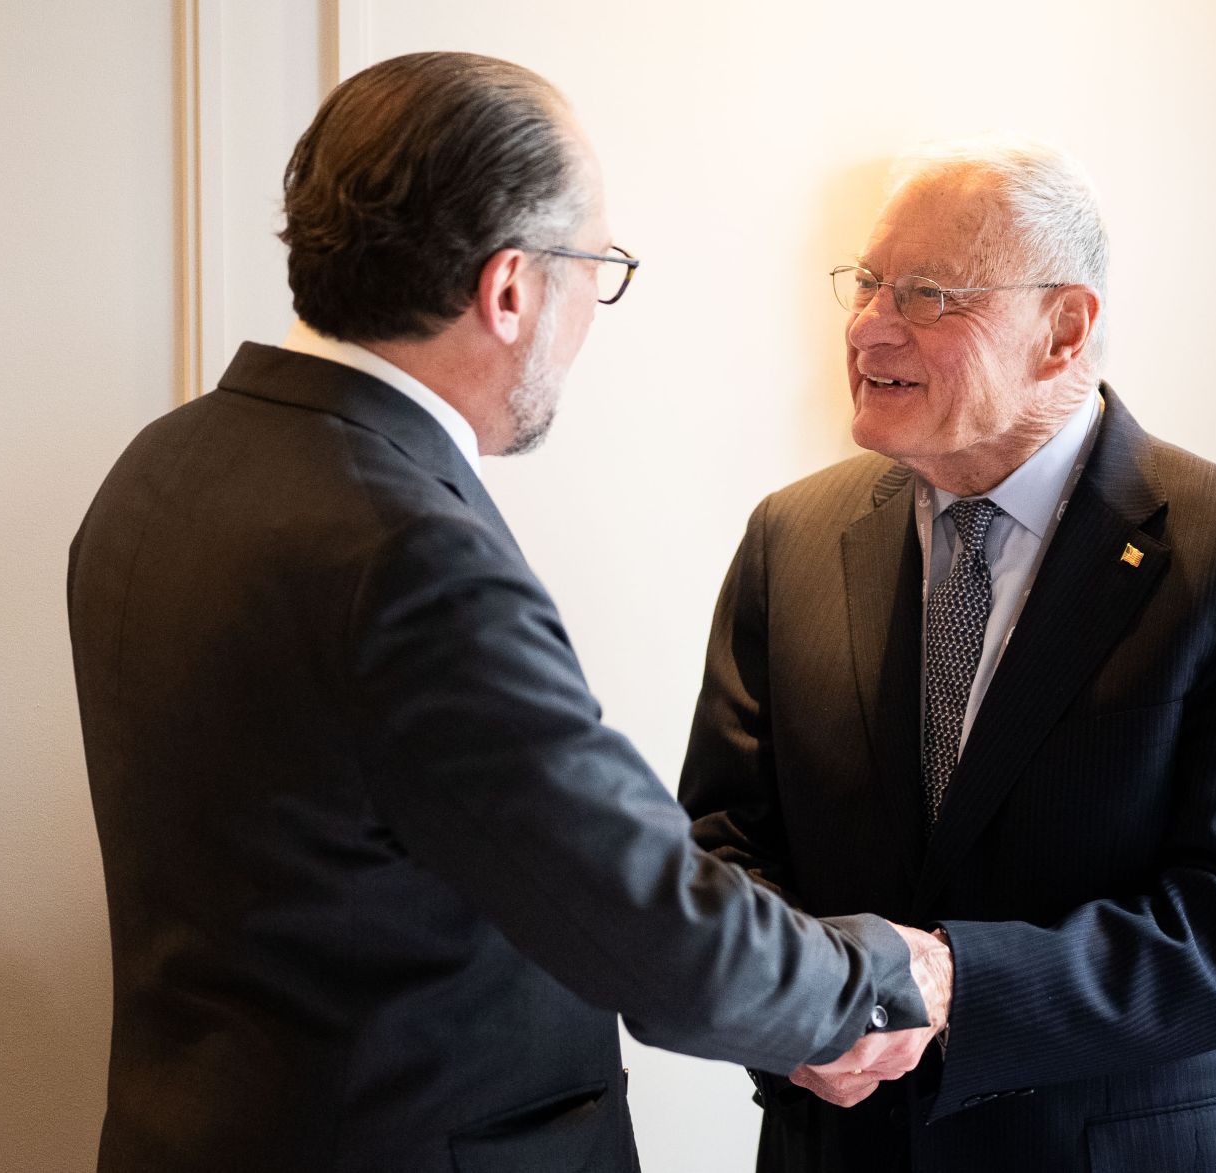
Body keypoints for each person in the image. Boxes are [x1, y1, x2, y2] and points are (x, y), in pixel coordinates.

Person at [67, 52, 948, 1173]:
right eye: (596, 267)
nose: (590, 313)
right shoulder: (405, 552)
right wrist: (876, 977)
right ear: (511, 287)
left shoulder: (163, 465)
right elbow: (644, 918)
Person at [679, 137, 1216, 1172]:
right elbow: (720, 842)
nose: (865, 326)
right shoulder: (789, 538)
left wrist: (950, 984)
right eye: (865, 284)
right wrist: (791, 1009)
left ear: (1061, 330)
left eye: (927, 295)